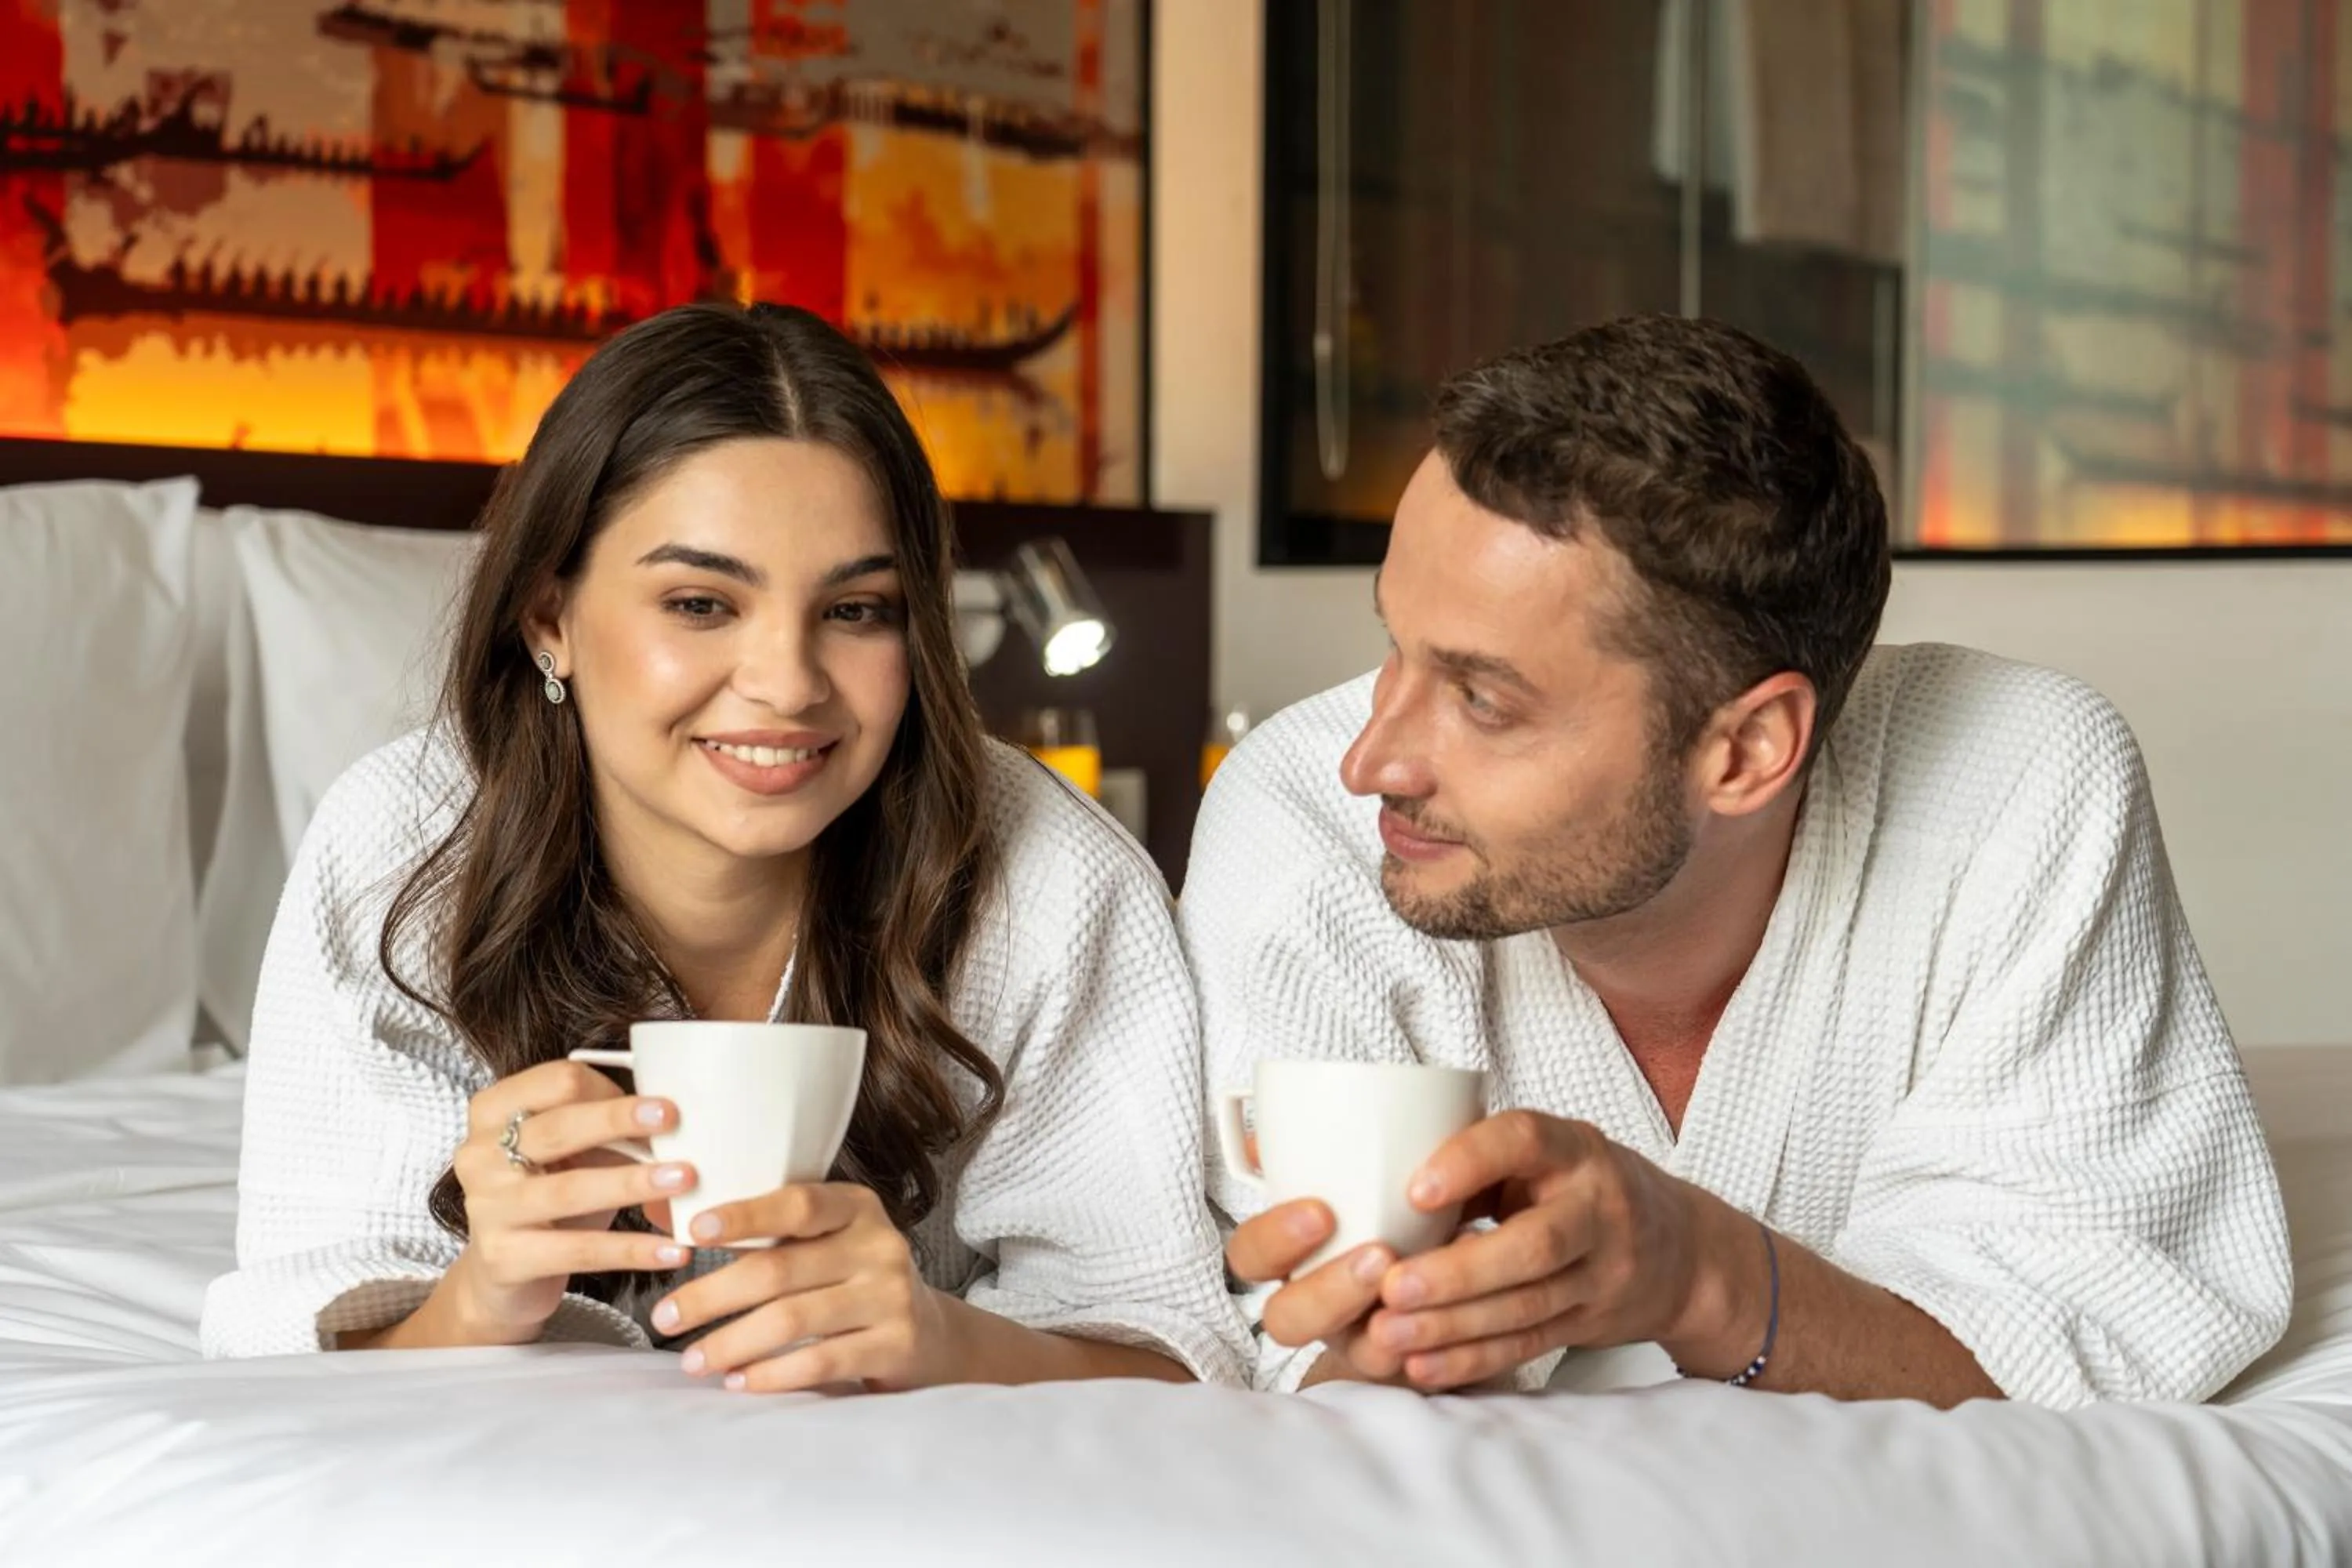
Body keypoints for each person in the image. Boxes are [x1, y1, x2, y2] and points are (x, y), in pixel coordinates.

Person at [1185, 314, 2292, 1407]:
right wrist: (1365, 1359)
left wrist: (1697, 1271)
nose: (1372, 761)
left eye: (1483, 698)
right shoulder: (1298, 823)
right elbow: (1286, 1367)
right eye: (1394, 646)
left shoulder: (2017, 783)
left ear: (1748, 751)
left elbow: (2071, 1338)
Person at [202, 302, 1250, 1393]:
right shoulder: (405, 851)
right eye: (701, 603)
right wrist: (481, 1295)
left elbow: (1171, 1347)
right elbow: (309, 1354)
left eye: (855, 611)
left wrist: (948, 1339)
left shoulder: (1049, 878)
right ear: (548, 617)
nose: (788, 683)